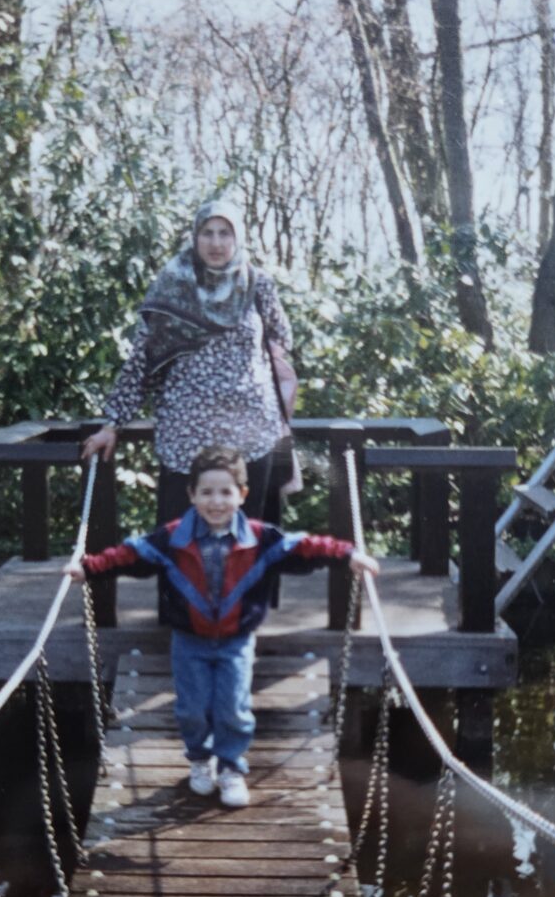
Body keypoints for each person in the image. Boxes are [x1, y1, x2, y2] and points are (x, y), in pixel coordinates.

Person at [67, 445, 378, 808]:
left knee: (233, 707)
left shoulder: (261, 539)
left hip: (236, 641)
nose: (216, 501)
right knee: (192, 708)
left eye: (226, 492)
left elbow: (306, 546)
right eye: (207, 492)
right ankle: (200, 760)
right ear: (192, 495)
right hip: (188, 641)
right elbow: (129, 554)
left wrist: (348, 555)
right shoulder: (172, 538)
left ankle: (231, 768)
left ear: (242, 495)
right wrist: (86, 568)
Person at [80, 198, 296, 524]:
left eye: (225, 233)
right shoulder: (172, 285)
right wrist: (113, 423)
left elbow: (281, 338)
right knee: (180, 546)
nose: (216, 242)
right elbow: (143, 359)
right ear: (195, 237)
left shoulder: (257, 282)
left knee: (253, 548)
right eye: (207, 232)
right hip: (186, 436)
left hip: (252, 431)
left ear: (237, 238)